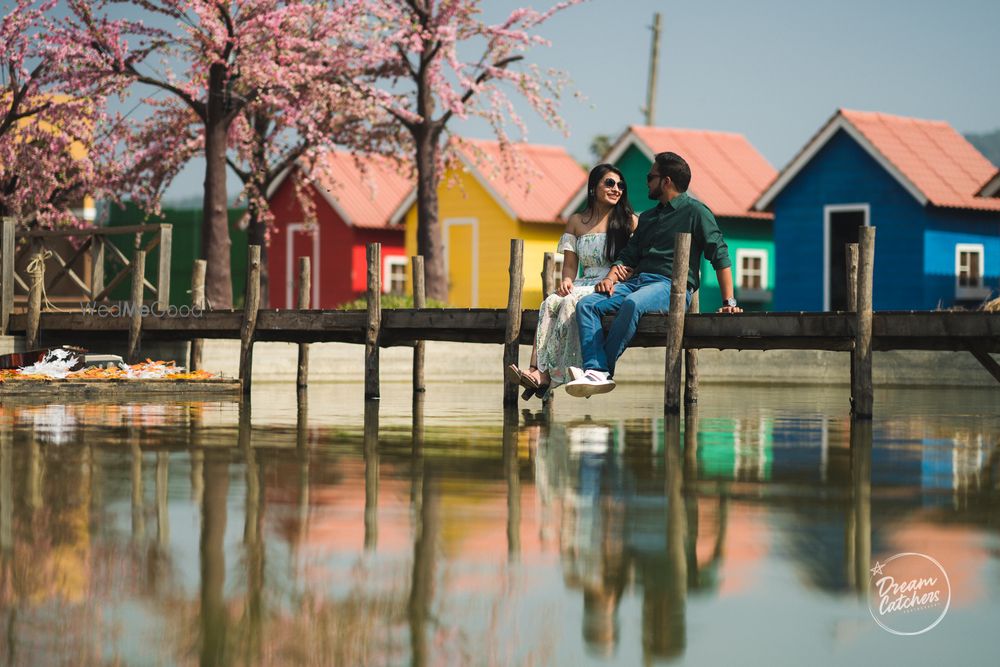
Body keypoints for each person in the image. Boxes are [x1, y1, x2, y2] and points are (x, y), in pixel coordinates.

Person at [565, 151, 742, 398]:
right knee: (586, 305)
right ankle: (596, 370)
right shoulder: (648, 217)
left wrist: (729, 302)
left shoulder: (696, 212)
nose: (646, 182)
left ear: (666, 181)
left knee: (631, 303)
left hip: (670, 287)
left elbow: (720, 255)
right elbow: (629, 255)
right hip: (637, 282)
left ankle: (600, 370)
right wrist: (610, 278)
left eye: (651, 177)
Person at [506, 164, 637, 398]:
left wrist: (616, 277)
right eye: (609, 183)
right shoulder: (577, 221)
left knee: (569, 304)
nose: (616, 189)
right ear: (593, 188)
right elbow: (569, 264)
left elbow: (634, 262)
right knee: (550, 302)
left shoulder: (629, 221)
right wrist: (567, 280)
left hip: (611, 285)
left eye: (620, 185)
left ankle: (553, 374)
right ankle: (536, 368)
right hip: (583, 281)